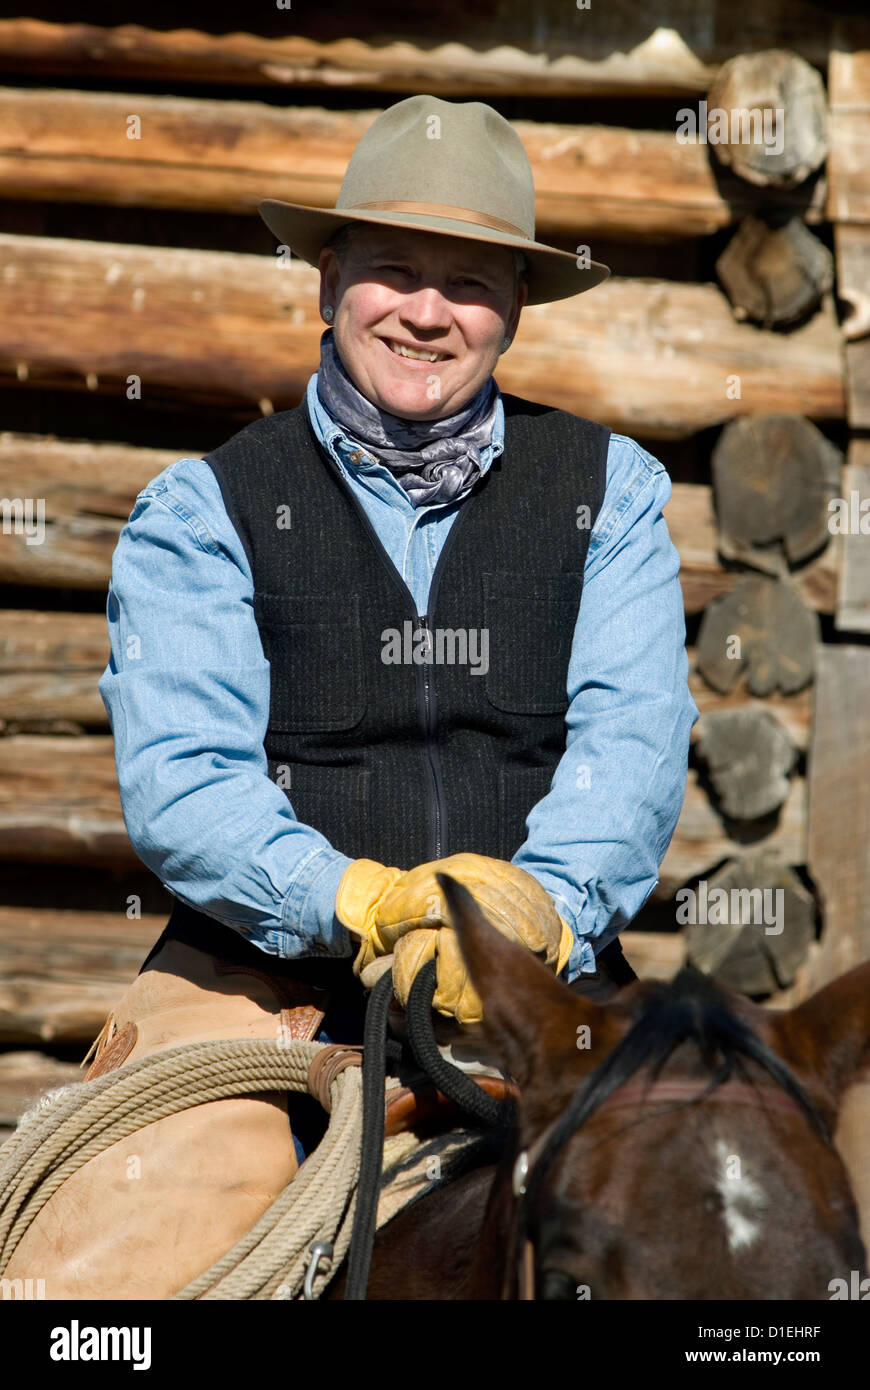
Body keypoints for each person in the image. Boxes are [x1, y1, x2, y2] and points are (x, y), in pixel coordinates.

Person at [58, 94, 698, 1296]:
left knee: (713, 1211)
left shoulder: (609, 494)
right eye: (394, 270)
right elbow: (184, 783)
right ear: (328, 281)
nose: (427, 311)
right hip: (258, 978)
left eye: (468, 281)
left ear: (512, 305)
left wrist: (528, 917)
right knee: (116, 1247)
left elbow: (633, 746)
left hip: (537, 973)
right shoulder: (202, 512)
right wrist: (355, 898)